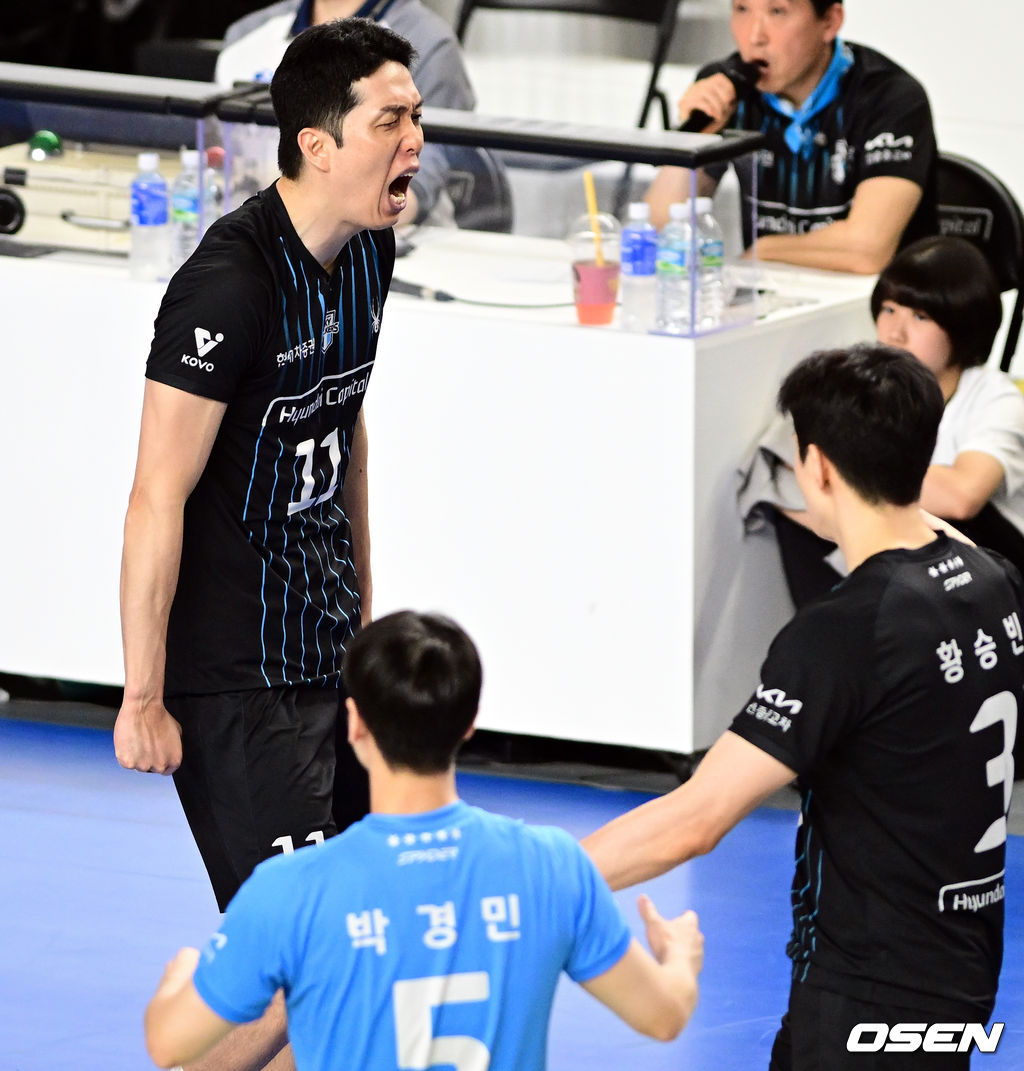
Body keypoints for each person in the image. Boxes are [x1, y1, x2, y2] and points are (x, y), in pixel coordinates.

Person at [114, 18, 421, 1070]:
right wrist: (142, 694)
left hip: (327, 648)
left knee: (357, 948)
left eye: (417, 115)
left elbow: (347, 424)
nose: (415, 140)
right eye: (390, 120)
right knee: (309, 960)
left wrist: (363, 612)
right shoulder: (228, 286)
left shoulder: (369, 251)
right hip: (235, 674)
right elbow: (156, 494)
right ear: (317, 144)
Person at [584, 344, 1022, 1070]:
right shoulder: (991, 578)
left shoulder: (846, 629)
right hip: (961, 969)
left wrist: (538, 879)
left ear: (816, 466)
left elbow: (695, 820)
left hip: (866, 987)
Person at [143, 611, 705, 1071]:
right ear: (469, 724)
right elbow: (664, 1016)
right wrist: (679, 957)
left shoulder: (289, 888)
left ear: (354, 724)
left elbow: (170, 1045)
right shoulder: (553, 867)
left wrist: (178, 981)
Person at [772, 236, 1024, 606]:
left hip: (995, 570)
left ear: (963, 326)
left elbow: (962, 497)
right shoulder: (871, 388)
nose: (894, 333)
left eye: (920, 317)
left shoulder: (996, 397)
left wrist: (850, 476)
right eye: (889, 310)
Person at [646, 0, 937, 274]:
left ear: (830, 21)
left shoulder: (889, 96)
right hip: (774, 290)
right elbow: (659, 227)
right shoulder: (727, 89)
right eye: (742, 8)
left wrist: (764, 250)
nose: (755, 37)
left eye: (777, 11)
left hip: (880, 302)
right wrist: (696, 137)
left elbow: (866, 250)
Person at [215, 0, 476, 224]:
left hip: (397, 239)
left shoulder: (429, 41)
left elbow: (429, 166)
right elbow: (218, 151)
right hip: (261, 232)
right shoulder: (246, 36)